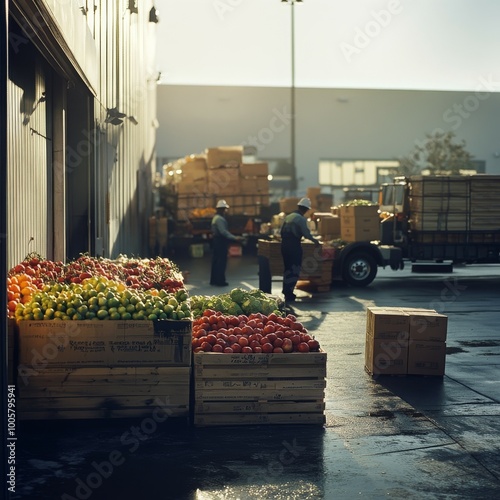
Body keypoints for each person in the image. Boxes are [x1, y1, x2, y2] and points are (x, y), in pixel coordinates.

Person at [280, 197, 321, 303]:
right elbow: (306, 234)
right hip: (294, 246)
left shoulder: (288, 217)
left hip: (284, 246)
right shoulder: (301, 219)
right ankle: (289, 294)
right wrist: (316, 242)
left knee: (287, 268)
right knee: (294, 269)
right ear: (306, 209)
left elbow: (281, 232)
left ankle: (286, 291)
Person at [210, 199, 241, 286]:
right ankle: (220, 281)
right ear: (222, 209)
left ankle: (214, 280)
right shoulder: (220, 219)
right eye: (224, 209)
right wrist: (235, 238)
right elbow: (223, 232)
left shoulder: (215, 218)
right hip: (220, 241)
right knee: (221, 261)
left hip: (216, 241)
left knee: (216, 261)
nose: (225, 211)